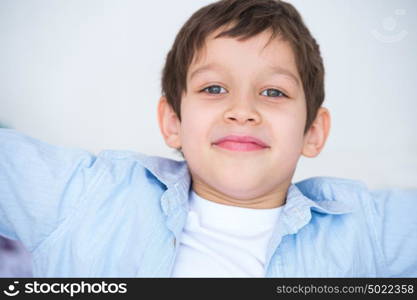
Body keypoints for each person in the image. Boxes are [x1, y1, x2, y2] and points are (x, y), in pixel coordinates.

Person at [0, 0, 416, 277]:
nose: (242, 110)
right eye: (214, 89)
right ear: (172, 122)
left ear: (312, 132)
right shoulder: (90, 195)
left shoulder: (366, 227)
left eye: (273, 92)